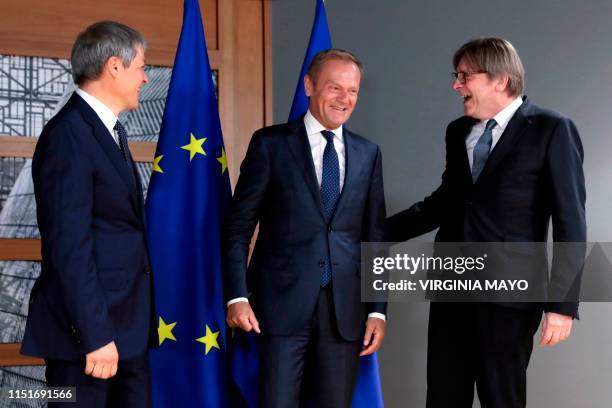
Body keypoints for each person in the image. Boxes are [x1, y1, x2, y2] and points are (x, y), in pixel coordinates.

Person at [387, 38, 586, 408]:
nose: (456, 85)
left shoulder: (552, 129)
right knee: (444, 397)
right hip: (451, 286)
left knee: (501, 399)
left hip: (509, 296)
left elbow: (570, 220)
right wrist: (375, 234)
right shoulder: (458, 131)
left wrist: (561, 304)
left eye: (464, 76)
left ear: (500, 80)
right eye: (456, 75)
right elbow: (445, 203)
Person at [224, 49, 387, 407]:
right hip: (279, 309)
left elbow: (374, 237)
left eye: (353, 91)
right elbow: (238, 227)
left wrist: (378, 309)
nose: (345, 99)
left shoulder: (368, 153)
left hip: (345, 313)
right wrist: (237, 296)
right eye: (334, 88)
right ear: (309, 86)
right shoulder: (271, 144)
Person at [21, 21, 156, 408]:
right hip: (89, 341)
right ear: (114, 66)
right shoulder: (69, 135)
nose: (145, 79)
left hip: (124, 332)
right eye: (140, 67)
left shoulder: (110, 130)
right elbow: (70, 247)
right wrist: (95, 336)